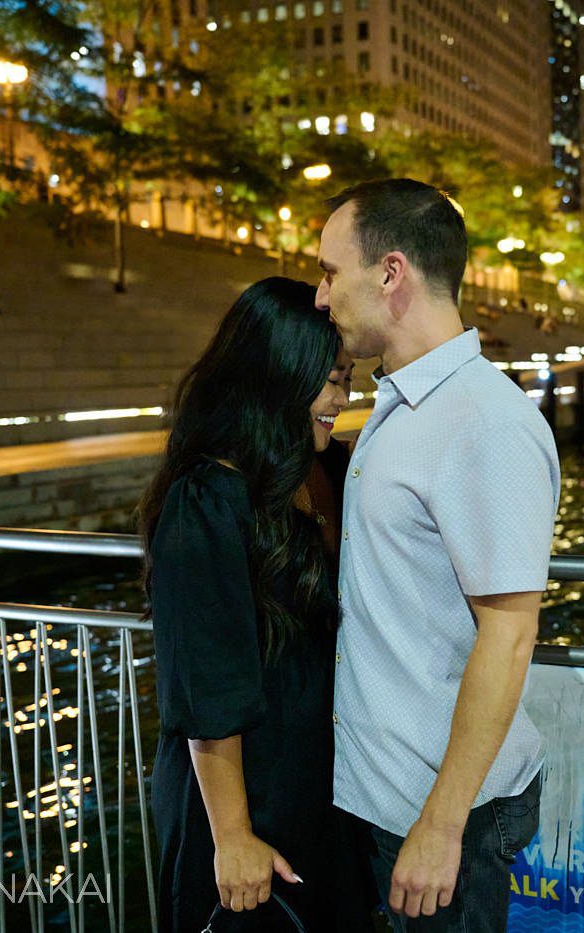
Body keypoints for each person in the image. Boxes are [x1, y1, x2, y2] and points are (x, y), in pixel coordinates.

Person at [315, 179, 561, 932]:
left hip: (441, 815)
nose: (321, 297)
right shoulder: (404, 408)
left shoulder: (484, 421)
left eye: (330, 271)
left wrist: (441, 824)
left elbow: (511, 632)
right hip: (384, 795)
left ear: (391, 273)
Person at [138, 276, 369, 932]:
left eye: (347, 379)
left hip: (310, 787)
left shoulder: (313, 475)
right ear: (277, 375)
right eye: (330, 379)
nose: (341, 399)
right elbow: (207, 682)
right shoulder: (208, 500)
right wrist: (233, 835)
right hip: (239, 800)